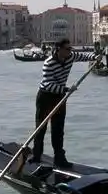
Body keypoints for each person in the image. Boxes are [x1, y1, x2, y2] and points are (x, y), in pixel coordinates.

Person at [29, 38, 101, 168]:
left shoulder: (70, 57)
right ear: (58, 50)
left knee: (58, 129)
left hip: (60, 97)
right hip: (45, 97)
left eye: (70, 49)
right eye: (67, 49)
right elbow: (47, 84)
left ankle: (59, 159)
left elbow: (83, 56)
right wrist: (66, 89)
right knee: (41, 128)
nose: (70, 51)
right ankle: (36, 156)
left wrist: (95, 56)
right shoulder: (48, 63)